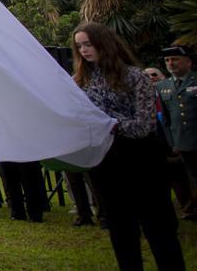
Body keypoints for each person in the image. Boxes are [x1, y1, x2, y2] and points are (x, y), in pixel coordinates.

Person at [73, 21, 184, 271]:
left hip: (142, 158)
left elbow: (144, 125)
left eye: (88, 44)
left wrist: (109, 123)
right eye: (79, 46)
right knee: (121, 228)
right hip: (106, 161)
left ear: (104, 43)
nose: (84, 50)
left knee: (159, 227)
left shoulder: (135, 76)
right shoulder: (80, 82)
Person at [157, 43, 197, 219]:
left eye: (175, 59)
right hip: (181, 141)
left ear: (188, 62)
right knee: (189, 177)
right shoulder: (163, 86)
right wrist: (172, 142)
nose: (171, 63)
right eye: (167, 60)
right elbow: (166, 119)